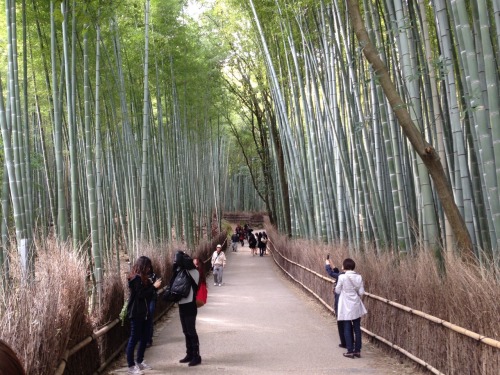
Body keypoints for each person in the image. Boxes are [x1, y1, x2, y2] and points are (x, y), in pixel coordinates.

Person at [126, 256, 162, 374]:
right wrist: (153, 287)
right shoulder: (135, 279)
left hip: (144, 312)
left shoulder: (143, 279)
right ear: (142, 266)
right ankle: (131, 366)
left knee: (145, 337)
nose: (149, 269)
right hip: (136, 312)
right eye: (147, 267)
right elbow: (141, 294)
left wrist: (154, 288)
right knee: (134, 338)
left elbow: (149, 294)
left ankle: (140, 361)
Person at [335, 258, 367, 359]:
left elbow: (337, 290)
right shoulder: (359, 277)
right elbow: (361, 292)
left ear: (345, 266)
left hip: (346, 305)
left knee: (347, 328)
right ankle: (357, 350)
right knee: (357, 328)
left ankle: (350, 350)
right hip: (356, 305)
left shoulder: (342, 277)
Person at [174, 251, 202, 367]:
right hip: (182, 304)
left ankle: (196, 356)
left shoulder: (194, 272)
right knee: (185, 331)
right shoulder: (180, 271)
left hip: (190, 304)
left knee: (191, 331)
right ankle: (189, 353)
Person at [325, 256, 349, 349]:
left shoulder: (342, 276)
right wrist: (331, 262)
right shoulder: (347, 275)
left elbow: (331, 273)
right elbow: (336, 272)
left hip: (340, 302)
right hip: (348, 303)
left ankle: (344, 342)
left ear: (345, 267)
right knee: (347, 323)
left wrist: (327, 264)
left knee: (341, 323)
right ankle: (349, 341)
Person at [146, 265, 160, 348]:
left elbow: (157, 286)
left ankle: (148, 339)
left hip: (151, 299)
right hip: (142, 300)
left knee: (149, 317)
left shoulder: (154, 275)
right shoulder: (139, 276)